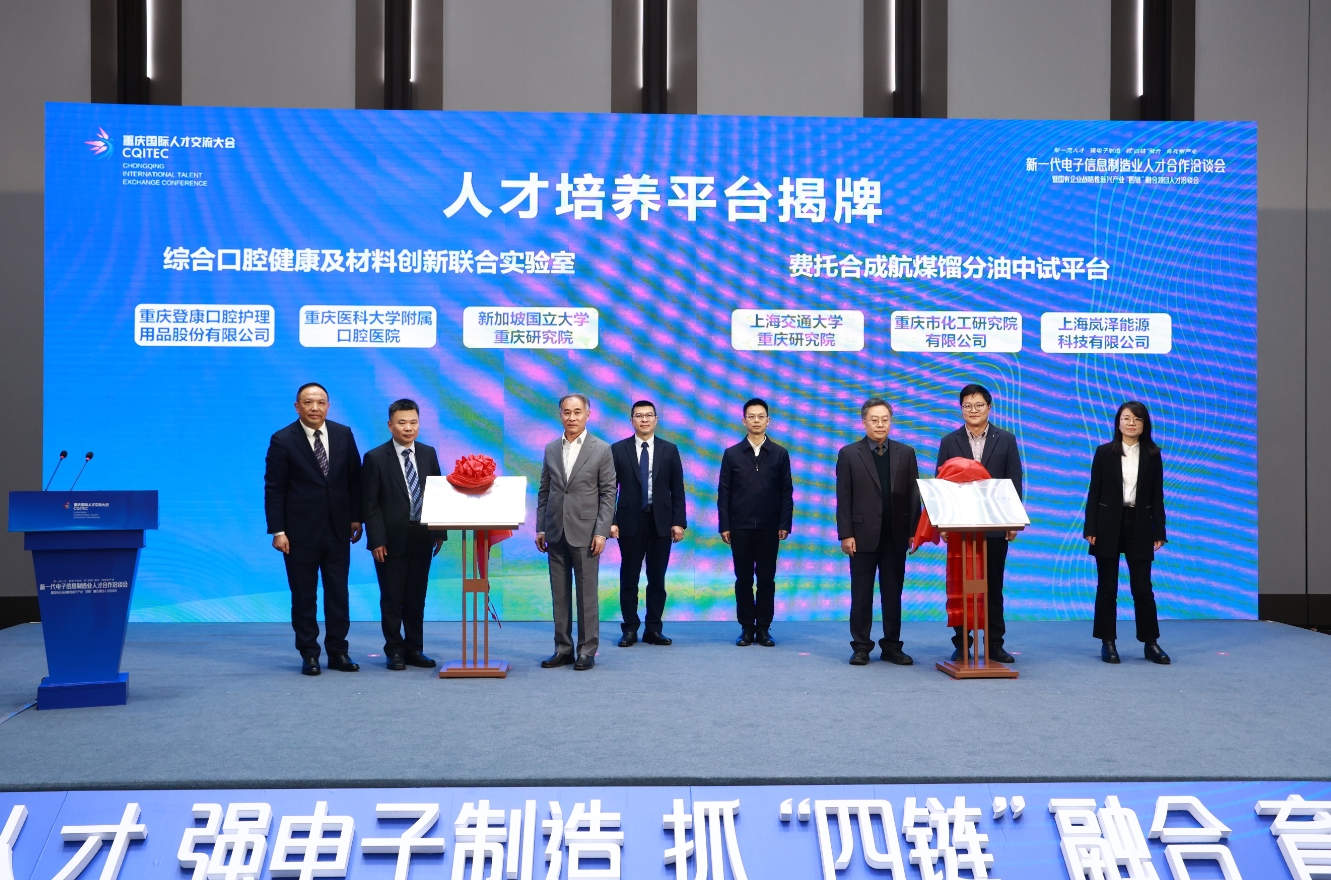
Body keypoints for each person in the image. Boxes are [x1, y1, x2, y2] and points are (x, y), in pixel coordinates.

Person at [263, 382, 364, 676]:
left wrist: (356, 517)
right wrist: (278, 531)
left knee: (338, 595)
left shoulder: (343, 433)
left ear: (328, 406)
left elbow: (354, 479)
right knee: (304, 596)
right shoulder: (283, 439)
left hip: (337, 530)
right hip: (298, 534)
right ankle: (309, 654)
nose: (315, 407)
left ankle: (338, 652)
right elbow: (274, 488)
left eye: (320, 402)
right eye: (308, 402)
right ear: (297, 407)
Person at [935, 383, 1022, 664]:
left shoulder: (1005, 439)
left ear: (989, 408)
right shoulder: (949, 441)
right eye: (967, 406)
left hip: (995, 525)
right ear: (961, 409)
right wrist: (943, 523)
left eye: (979, 405)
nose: (973, 410)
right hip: (960, 527)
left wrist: (1012, 520)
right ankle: (962, 643)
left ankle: (995, 643)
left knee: (993, 587)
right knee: (961, 587)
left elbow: (1014, 482)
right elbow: (941, 484)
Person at [835, 398, 921, 666]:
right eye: (874, 419)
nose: (880, 424)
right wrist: (846, 534)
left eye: (885, 419)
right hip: (861, 535)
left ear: (891, 422)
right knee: (861, 594)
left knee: (893, 594)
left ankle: (892, 646)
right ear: (864, 422)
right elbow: (844, 497)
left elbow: (913, 495)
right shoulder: (849, 453)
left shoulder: (906, 452)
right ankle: (861, 646)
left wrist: (914, 531)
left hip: (896, 534)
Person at [362, 398, 446, 671]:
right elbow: (370, 504)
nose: (408, 428)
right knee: (392, 598)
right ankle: (394, 650)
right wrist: (376, 539)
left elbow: (437, 493)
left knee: (416, 597)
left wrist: (439, 531)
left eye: (413, 422)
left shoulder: (428, 453)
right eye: (402, 423)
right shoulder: (375, 457)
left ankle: (414, 649)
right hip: (390, 540)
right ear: (390, 425)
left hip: (422, 536)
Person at [535, 393, 616, 671]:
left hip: (587, 532)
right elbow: (544, 491)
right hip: (555, 530)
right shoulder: (550, 449)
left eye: (577, 412)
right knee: (559, 594)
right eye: (567, 412)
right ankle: (563, 648)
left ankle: (587, 650)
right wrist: (541, 527)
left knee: (586, 595)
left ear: (587, 414)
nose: (572, 417)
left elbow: (608, 493)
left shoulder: (601, 449)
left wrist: (601, 532)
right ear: (560, 415)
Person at [1084, 401, 1170, 664]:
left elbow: (1157, 496)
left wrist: (1160, 530)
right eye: (1126, 418)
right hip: (1108, 523)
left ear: (1145, 424)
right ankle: (1107, 642)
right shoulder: (1104, 452)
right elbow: (1094, 492)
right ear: (1118, 423)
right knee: (1107, 586)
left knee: (1142, 588)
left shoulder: (1153, 455)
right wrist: (1090, 527)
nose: (1131, 423)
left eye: (1137, 419)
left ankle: (1150, 642)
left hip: (1140, 523)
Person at [609, 400, 688, 647]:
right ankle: (630, 629)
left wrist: (678, 522)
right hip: (629, 522)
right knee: (629, 578)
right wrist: (611, 520)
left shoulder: (669, 449)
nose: (644, 419)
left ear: (656, 419)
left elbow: (678, 489)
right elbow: (609, 489)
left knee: (657, 578)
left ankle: (653, 628)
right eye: (639, 415)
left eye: (648, 415)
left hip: (661, 522)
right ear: (631, 420)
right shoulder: (618, 449)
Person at [717, 398, 793, 647]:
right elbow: (724, 492)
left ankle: (764, 628)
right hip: (740, 527)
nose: (756, 420)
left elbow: (786, 492)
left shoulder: (780, 453)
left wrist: (784, 523)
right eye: (751, 416)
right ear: (744, 420)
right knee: (743, 580)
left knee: (766, 580)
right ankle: (746, 628)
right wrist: (725, 525)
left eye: (761, 416)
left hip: (770, 528)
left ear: (768, 421)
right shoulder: (732, 454)